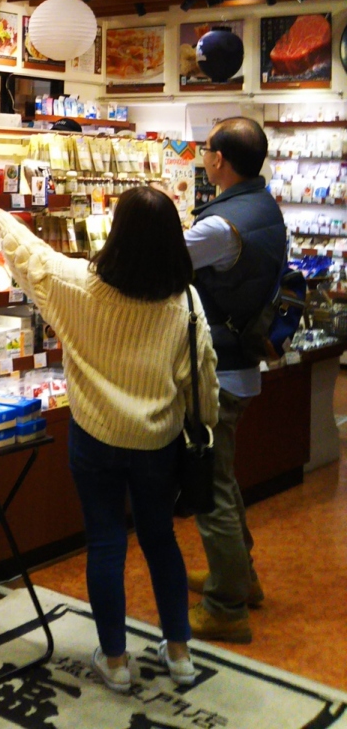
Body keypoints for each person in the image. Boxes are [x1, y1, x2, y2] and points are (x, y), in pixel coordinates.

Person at [0, 187, 218, 693]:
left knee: (106, 542)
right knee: (160, 539)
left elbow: (33, 259)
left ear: (116, 234)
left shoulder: (78, 284)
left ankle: (114, 660)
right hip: (156, 441)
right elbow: (200, 381)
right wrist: (207, 425)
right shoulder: (186, 303)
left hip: (93, 437)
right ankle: (179, 653)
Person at [183, 117, 286, 643]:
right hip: (241, 364)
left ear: (218, 160)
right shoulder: (262, 206)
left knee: (211, 488)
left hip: (217, 372)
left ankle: (226, 607)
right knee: (223, 475)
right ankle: (239, 576)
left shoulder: (219, 227)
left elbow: (160, 262)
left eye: (206, 149)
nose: (203, 156)